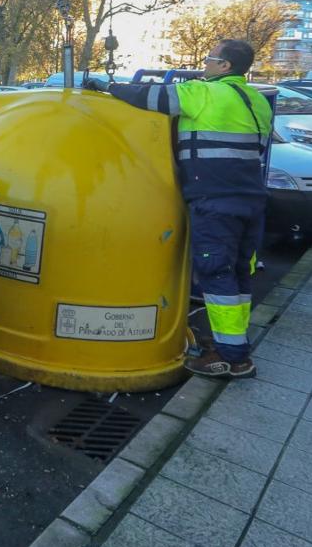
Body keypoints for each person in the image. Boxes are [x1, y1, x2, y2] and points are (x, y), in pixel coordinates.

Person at [84, 40, 272, 378]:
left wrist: (108, 86)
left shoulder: (204, 93)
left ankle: (232, 358)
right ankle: (235, 343)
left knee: (215, 272)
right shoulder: (258, 100)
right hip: (252, 200)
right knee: (240, 274)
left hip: (215, 201)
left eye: (210, 59)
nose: (205, 64)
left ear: (225, 66)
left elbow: (150, 98)